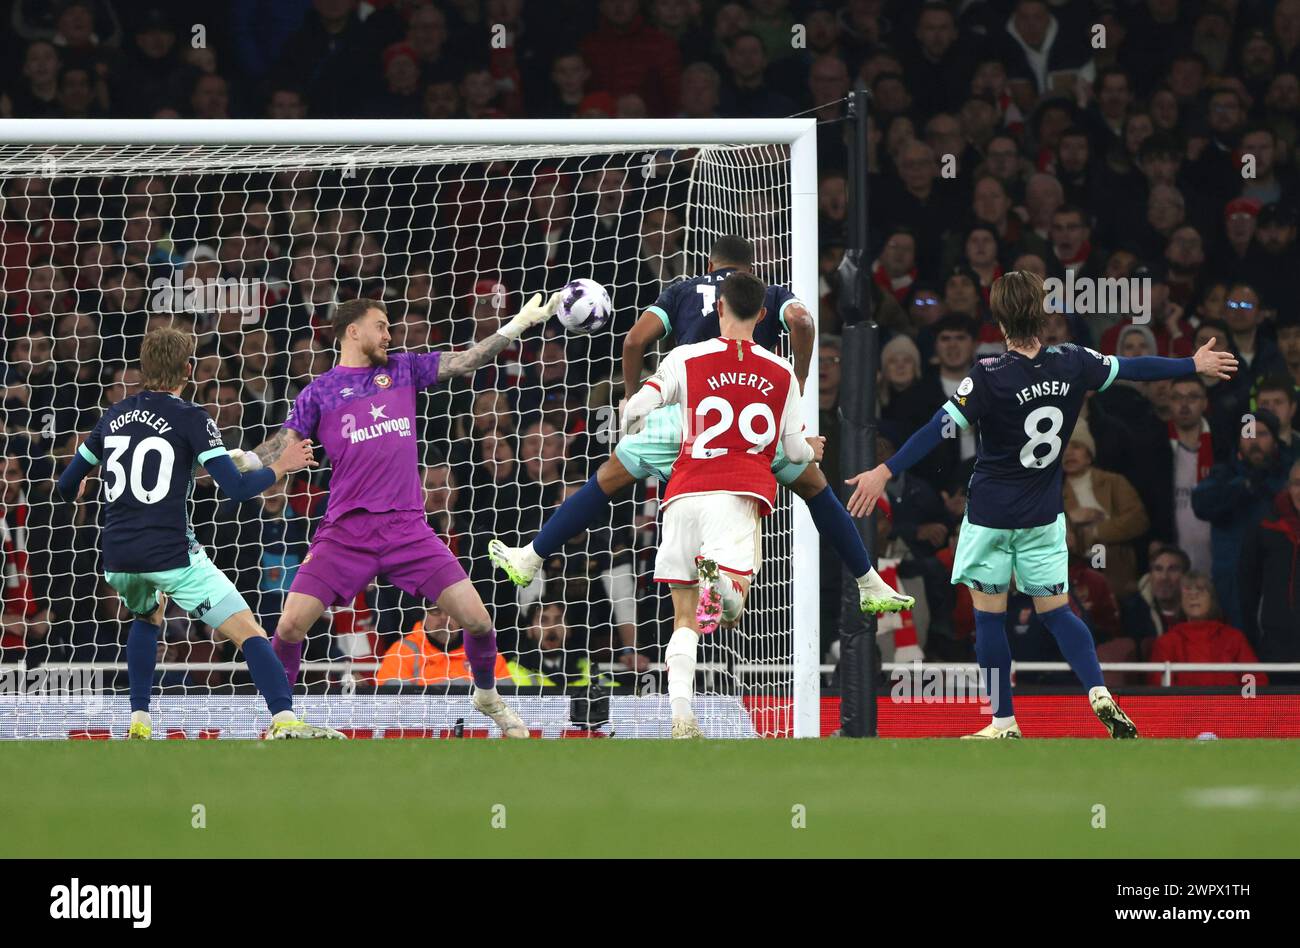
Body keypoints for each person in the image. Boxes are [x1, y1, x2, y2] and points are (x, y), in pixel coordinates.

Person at [845, 270, 1239, 739]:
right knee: (1058, 612)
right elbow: (1133, 369)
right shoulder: (1072, 362)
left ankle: (1003, 720)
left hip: (991, 514)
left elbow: (937, 428)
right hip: (1044, 515)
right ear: (1042, 314)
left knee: (989, 619)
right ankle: (1096, 690)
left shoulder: (988, 376)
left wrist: (884, 472)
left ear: (998, 319)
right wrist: (1191, 363)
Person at [489, 234, 910, 617]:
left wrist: (631, 400)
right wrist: (796, 383)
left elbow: (634, 341)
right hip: (752, 423)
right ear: (751, 272)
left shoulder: (683, 290)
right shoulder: (769, 294)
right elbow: (803, 322)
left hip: (683, 415)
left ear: (710, 264)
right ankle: (868, 583)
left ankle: (531, 556)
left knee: (606, 481)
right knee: (817, 491)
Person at [237, 294, 561, 738]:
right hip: (345, 532)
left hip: (407, 529)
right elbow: (282, 443)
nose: (389, 335)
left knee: (480, 621)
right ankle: (279, 719)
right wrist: (245, 463)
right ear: (354, 331)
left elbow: (466, 361)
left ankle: (486, 695)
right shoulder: (320, 392)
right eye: (381, 326)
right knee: (290, 625)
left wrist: (518, 324)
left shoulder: (402, 369)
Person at [53, 327, 340, 740]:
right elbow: (237, 490)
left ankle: (139, 719)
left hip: (116, 555)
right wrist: (282, 466)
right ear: (189, 369)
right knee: (250, 632)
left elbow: (65, 487)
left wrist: (77, 486)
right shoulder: (192, 417)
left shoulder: (112, 415)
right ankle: (284, 720)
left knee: (147, 615)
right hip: (171, 552)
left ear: (142, 368)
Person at [620, 271, 830, 738]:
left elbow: (637, 407)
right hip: (737, 496)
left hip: (681, 495)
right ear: (762, 314)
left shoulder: (685, 357)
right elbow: (794, 452)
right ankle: (723, 585)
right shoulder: (780, 371)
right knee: (732, 607)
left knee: (683, 617)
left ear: (718, 309)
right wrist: (813, 449)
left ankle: (681, 716)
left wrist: (628, 427)